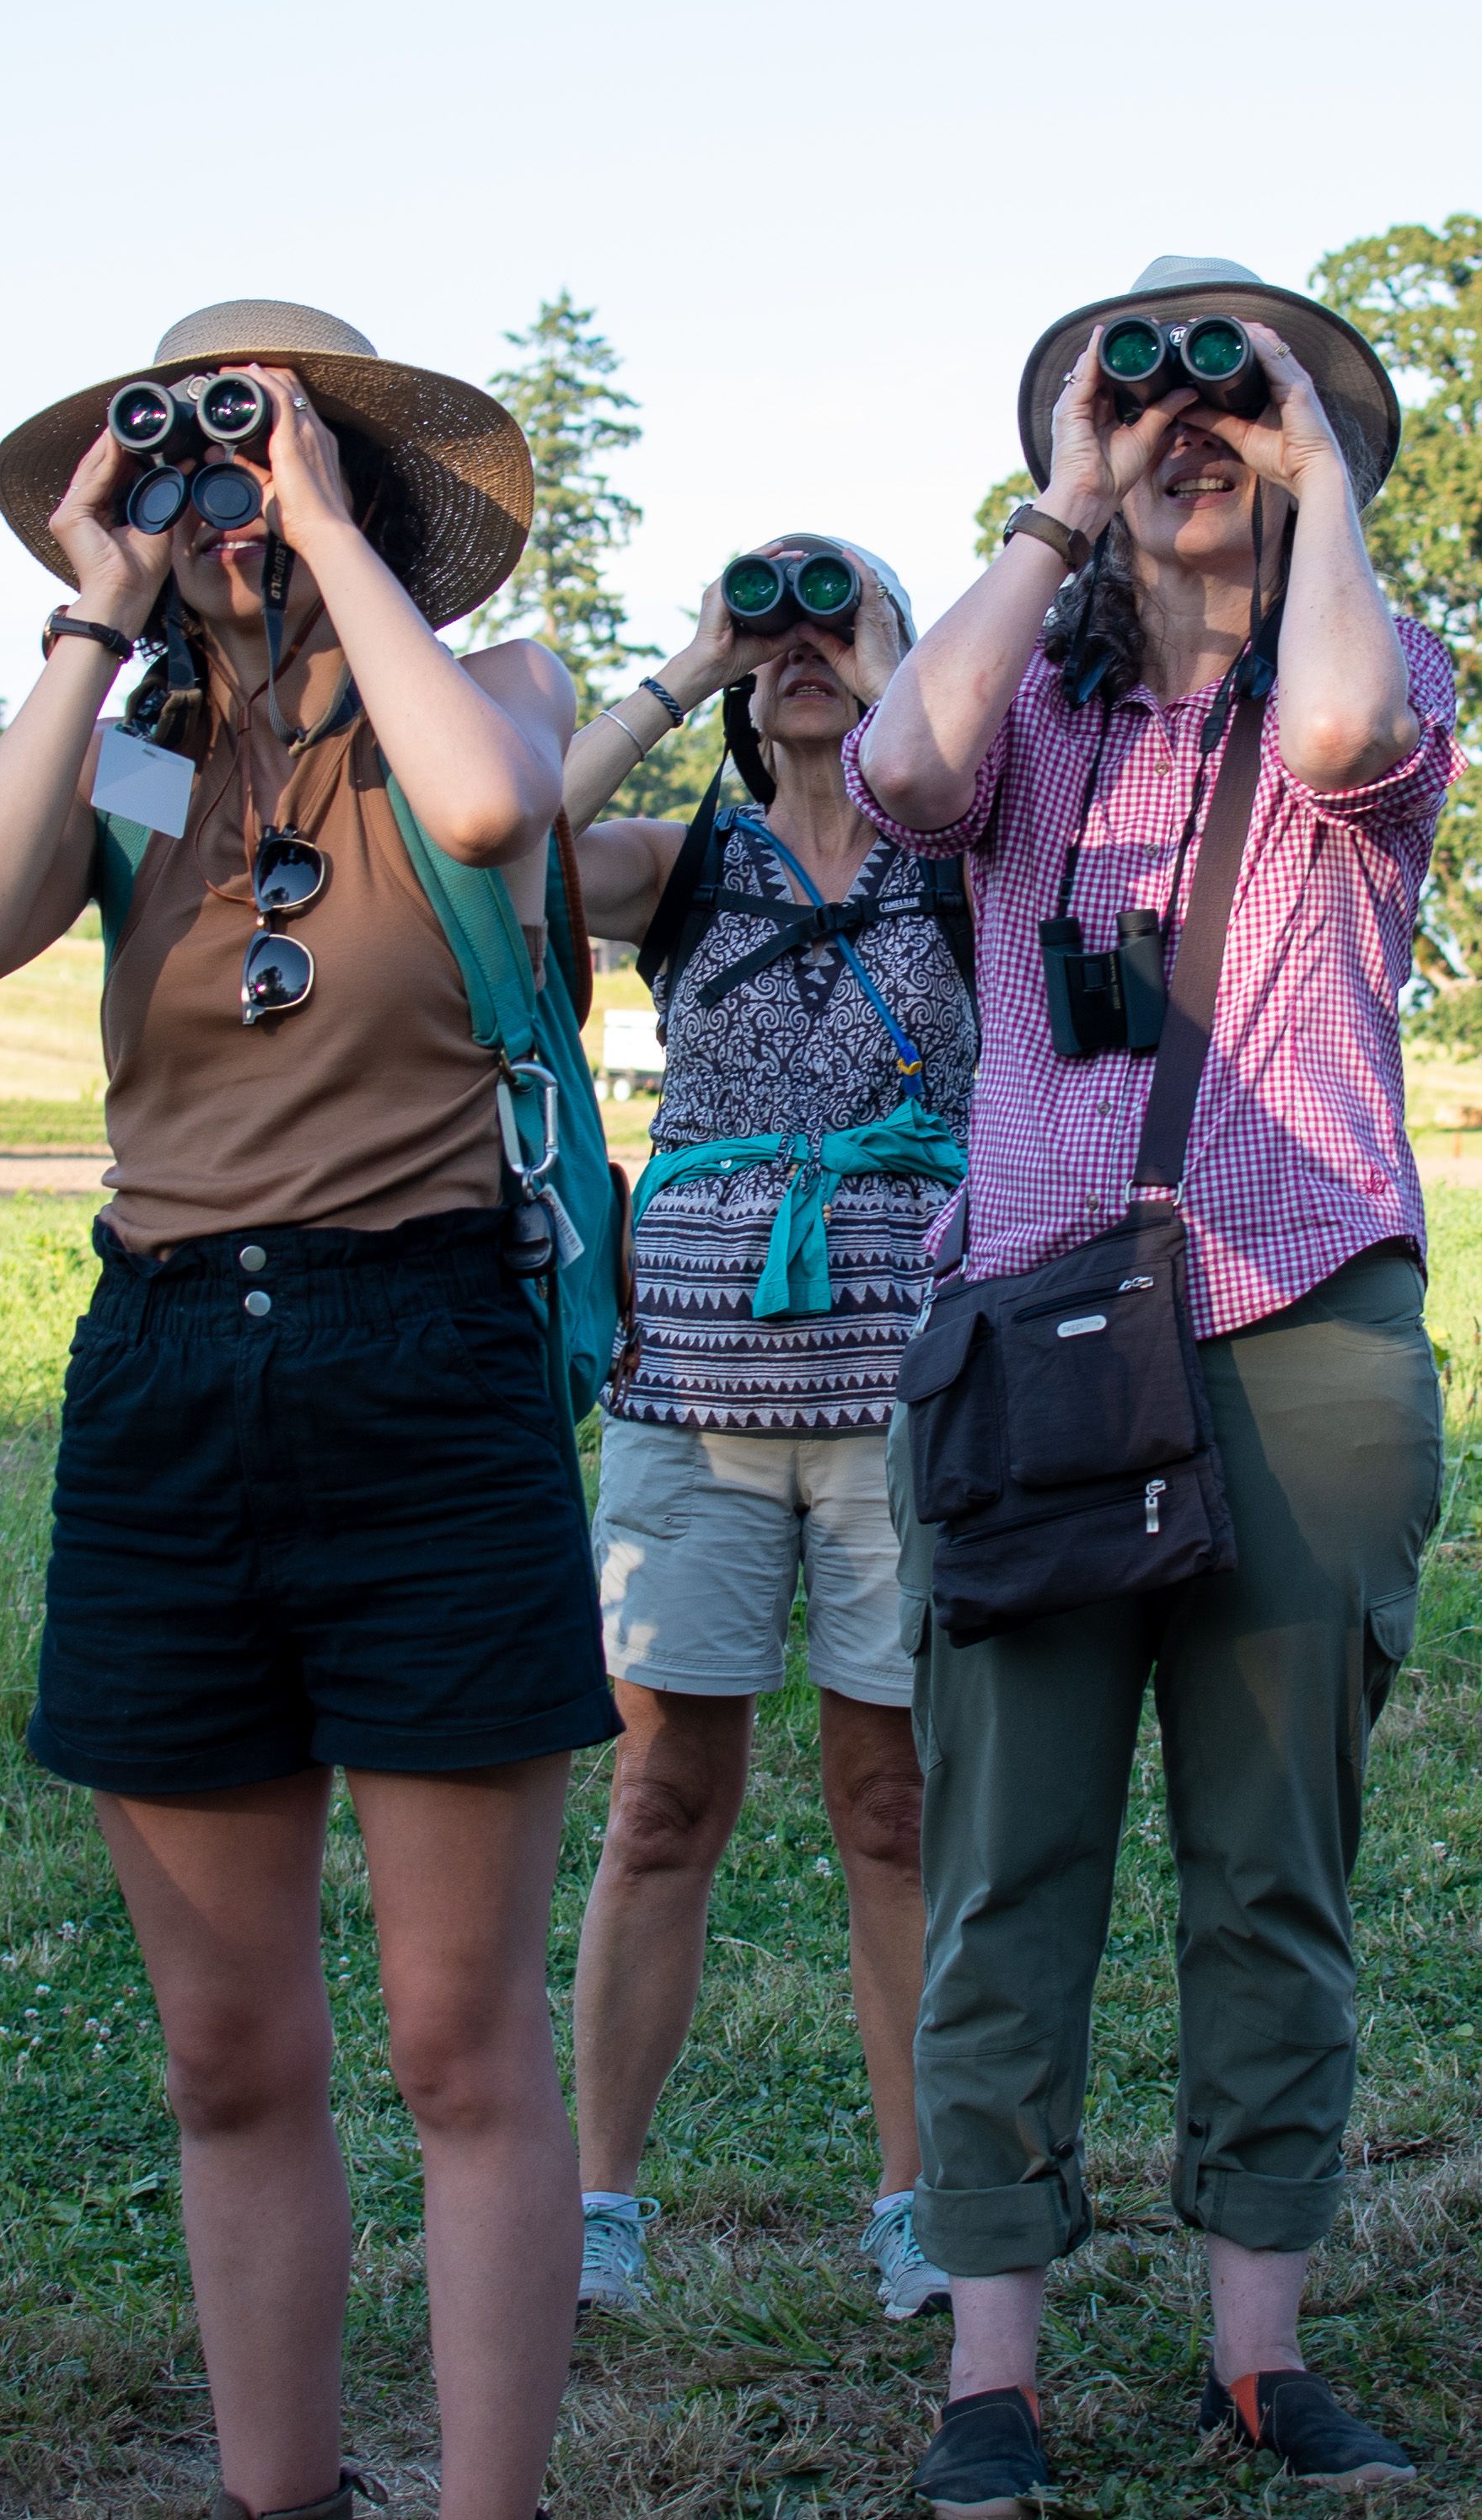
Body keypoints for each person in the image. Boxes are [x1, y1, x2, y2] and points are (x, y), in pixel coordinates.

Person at [0, 301, 608, 2520]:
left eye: (264, 454)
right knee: (228, 2049)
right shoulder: (119, 762)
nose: (222, 502)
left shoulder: (482, 699)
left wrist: (318, 514)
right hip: (171, 1374)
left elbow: (493, 809)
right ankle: (276, 2497)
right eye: (185, 463)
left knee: (452, 2037)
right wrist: (89, 608)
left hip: (426, 1364)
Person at [851, 260, 1459, 2512]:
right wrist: (1058, 511)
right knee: (1006, 1857)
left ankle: (1255, 2352)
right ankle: (987, 2379)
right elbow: (901, 764)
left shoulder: (1385, 681)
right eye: (1145, 406)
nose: (1184, 428)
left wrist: (1301, 475)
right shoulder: (1020, 718)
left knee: (1268, 1862)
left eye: (1236, 400)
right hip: (1033, 1327)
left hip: (1297, 1331)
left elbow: (1321, 743)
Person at [557, 537, 973, 2324]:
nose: (802, 649)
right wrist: (684, 659)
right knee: (661, 1800)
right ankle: (593, 2204)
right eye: (775, 633)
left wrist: (902, 692)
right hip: (690, 1406)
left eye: (842, 618)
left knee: (891, 1808)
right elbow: (492, 846)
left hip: (904, 1403)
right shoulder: (678, 866)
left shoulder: (967, 865)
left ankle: (911, 2198)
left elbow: (995, 795)